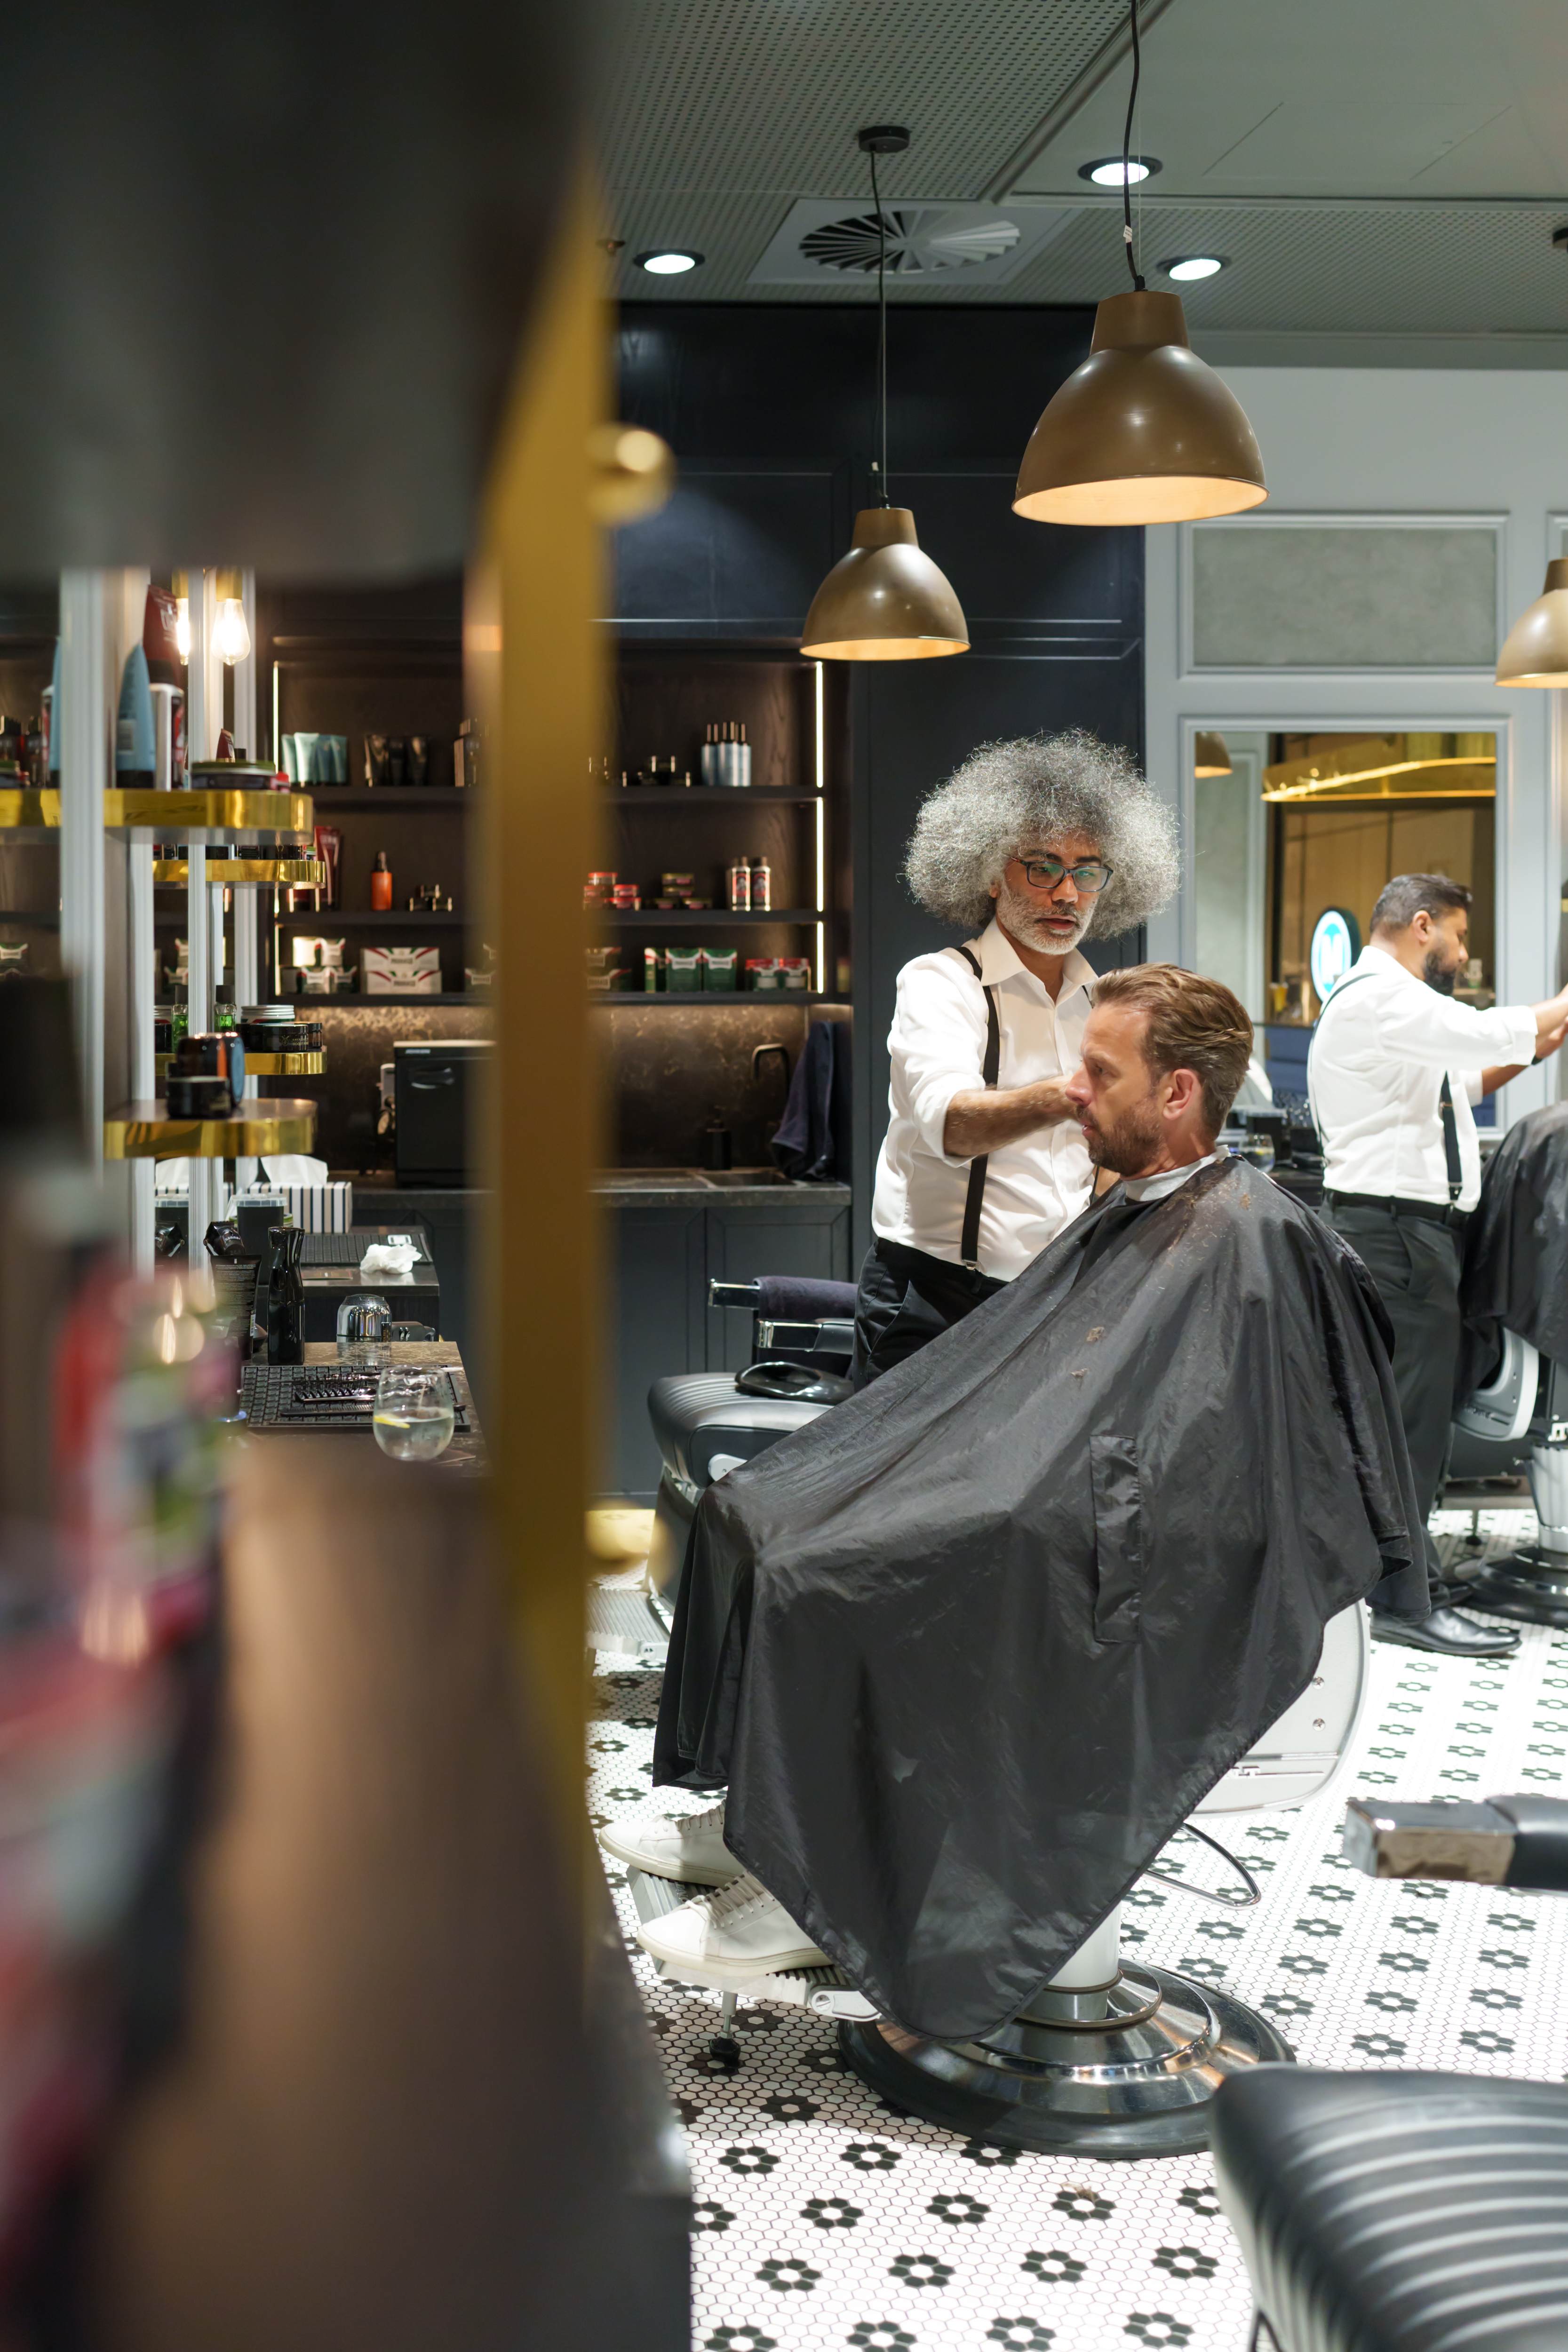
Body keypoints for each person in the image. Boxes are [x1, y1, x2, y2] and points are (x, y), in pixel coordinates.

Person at [628, 969, 1425, 2027]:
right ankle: (760, 1821)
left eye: (1100, 1072)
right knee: (756, 1511)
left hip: (1125, 1547)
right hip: (1067, 1496)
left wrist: (993, 1504)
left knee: (832, 1572)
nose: (1074, 1090)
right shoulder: (1143, 1209)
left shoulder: (1246, 1238)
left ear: (1178, 1092)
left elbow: (1210, 1460)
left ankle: (817, 1895)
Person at [851, 730, 1178, 1385]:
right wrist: (1077, 1093)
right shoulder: (941, 982)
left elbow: (1107, 1161)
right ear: (990, 875)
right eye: (1042, 866)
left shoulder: (1100, 1002)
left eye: (1086, 871)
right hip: (933, 1305)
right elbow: (951, 1125)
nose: (1066, 894)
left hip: (1056, 1299)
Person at [1310, 873, 1568, 1658]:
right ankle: (1398, 1602)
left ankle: (1407, 1573)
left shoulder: (1387, 1011)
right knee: (1407, 1425)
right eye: (1457, 936)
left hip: (1406, 1234)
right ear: (1422, 925)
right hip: (1393, 1235)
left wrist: (1536, 1038)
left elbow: (1477, 1072)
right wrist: (1541, 1020)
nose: (1463, 952)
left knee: (1412, 1417)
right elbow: (1496, 1035)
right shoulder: (1379, 996)